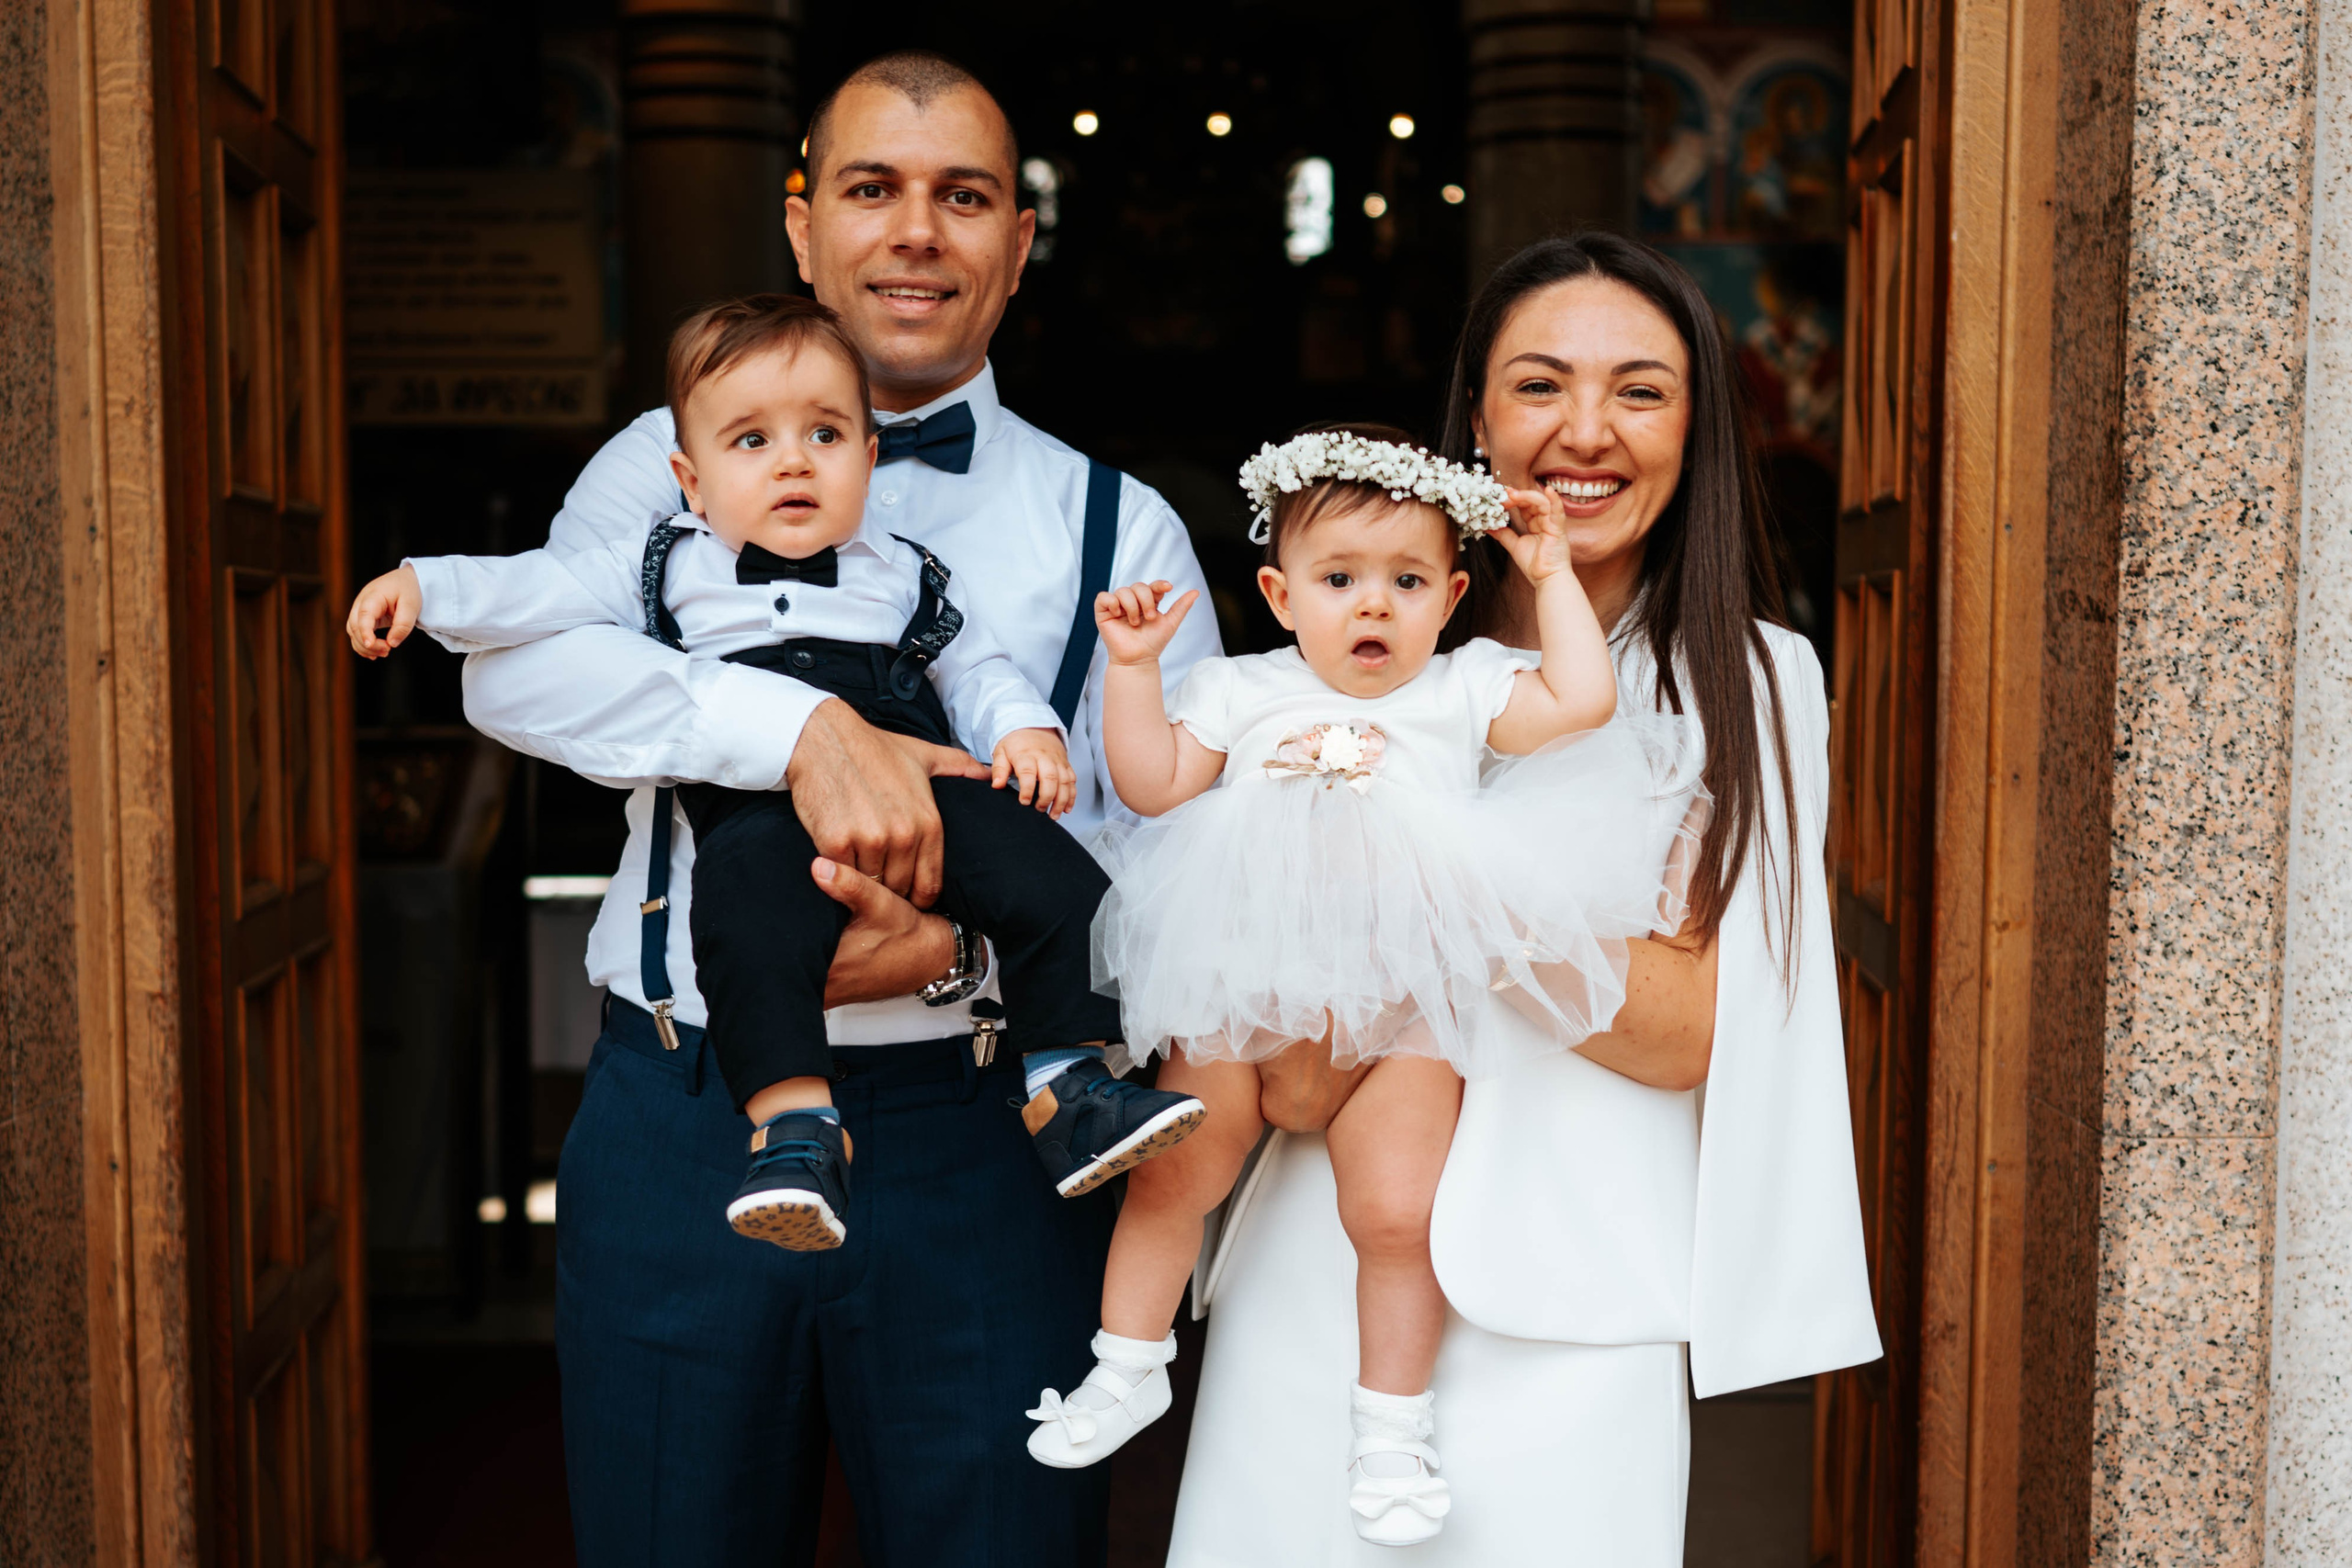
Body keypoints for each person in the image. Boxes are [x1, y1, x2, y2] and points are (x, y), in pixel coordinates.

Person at [458, 51, 1220, 1568]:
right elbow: (512, 683)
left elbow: (1172, 846)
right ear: (805, 229)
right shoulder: (654, 469)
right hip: (681, 1126)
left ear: (1017, 242)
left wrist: (953, 954)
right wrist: (797, 726)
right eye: (873, 189)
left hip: (992, 1150)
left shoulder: (1114, 524)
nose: (916, 230)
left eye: (965, 196)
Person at [1164, 232, 1883, 1564]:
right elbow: (1304, 1075)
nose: (1587, 433)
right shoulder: (1362, 643)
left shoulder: (1756, 679)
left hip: (1581, 1305)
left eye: (1642, 390)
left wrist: (1417, 874)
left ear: (1698, 424)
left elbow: (1684, 1027)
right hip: (1326, 1274)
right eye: (1541, 386)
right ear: (1475, 419)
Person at [348, 295, 1205, 1250]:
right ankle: (795, 1129)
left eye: (826, 435)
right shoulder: (661, 560)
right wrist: (425, 585)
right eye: (751, 442)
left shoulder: (909, 569)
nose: (793, 460)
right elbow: (530, 595)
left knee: (1059, 880)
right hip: (756, 810)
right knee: (746, 918)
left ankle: (1068, 1082)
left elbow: (977, 667)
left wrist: (1026, 735)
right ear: (691, 478)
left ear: (867, 461)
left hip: (930, 805)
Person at [1020, 424, 1705, 1549]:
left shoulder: (1461, 689)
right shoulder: (1240, 690)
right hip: (1246, 1003)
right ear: (1281, 595)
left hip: (1405, 1016)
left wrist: (1553, 578)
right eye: (1340, 581)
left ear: (1449, 597)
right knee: (1174, 1172)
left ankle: (1391, 1427)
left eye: (1405, 582)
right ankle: (1127, 1362)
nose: (1372, 607)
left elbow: (1579, 703)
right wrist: (1134, 672)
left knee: (1396, 1218)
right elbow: (1147, 788)